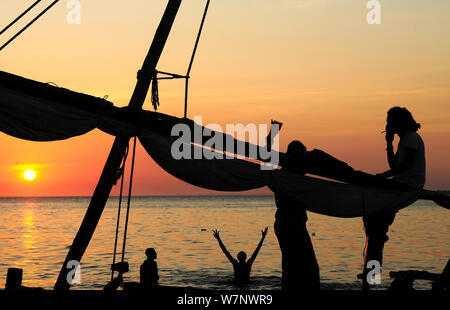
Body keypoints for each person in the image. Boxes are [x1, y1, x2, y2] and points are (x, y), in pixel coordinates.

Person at [361, 107, 425, 290]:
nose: (388, 125)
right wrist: (389, 143)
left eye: (390, 121)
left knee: (375, 237)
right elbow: (394, 164)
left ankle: (370, 281)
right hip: (400, 184)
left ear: (399, 122)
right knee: (375, 237)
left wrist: (383, 175)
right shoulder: (405, 139)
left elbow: (404, 167)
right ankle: (371, 279)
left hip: (407, 186)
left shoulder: (412, 138)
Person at [274, 140, 320, 292]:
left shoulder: (287, 175)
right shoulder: (288, 176)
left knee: (292, 268)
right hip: (290, 225)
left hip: (289, 225)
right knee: (305, 269)